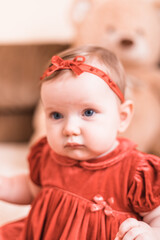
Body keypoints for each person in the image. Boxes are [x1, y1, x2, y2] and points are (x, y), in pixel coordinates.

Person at [0, 45, 160, 240]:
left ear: (122, 117)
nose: (70, 128)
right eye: (56, 115)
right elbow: (32, 189)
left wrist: (151, 233)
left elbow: (157, 217)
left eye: (88, 112)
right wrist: (5, 184)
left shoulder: (137, 172)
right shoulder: (48, 155)